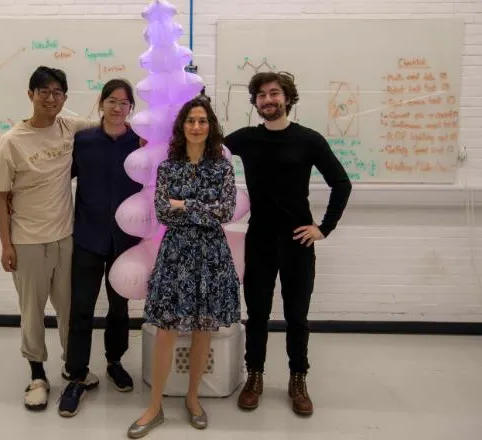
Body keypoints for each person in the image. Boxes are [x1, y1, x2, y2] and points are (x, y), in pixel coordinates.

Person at [223, 71, 352, 416]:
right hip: (260, 239)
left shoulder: (308, 140)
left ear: (287, 98)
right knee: (258, 314)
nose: (268, 100)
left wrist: (323, 228)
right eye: (262, 95)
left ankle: (298, 378)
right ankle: (255, 376)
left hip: (297, 241)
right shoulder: (247, 139)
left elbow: (342, 183)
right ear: (255, 103)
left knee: (297, 316)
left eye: (274, 93)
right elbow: (207, 146)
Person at [127, 98, 241, 438]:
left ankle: (193, 399)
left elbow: (227, 211)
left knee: (204, 327)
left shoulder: (222, 167)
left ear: (210, 126)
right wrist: (201, 207)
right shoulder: (167, 167)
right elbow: (163, 211)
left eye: (202, 121)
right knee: (166, 330)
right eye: (190, 120)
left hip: (211, 256)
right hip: (176, 254)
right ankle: (155, 405)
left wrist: (185, 204)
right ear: (182, 126)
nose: (196, 126)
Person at [0, 65, 100, 412]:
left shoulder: (70, 127)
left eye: (57, 93)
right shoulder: (12, 142)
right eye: (44, 92)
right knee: (32, 312)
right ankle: (37, 375)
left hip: (65, 239)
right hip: (27, 241)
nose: (51, 99)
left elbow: (109, 125)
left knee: (69, 310)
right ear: (30, 95)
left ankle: (73, 366)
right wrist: (6, 244)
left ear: (64, 98)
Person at [57, 79, 144, 417]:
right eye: (111, 100)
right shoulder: (84, 141)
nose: (117, 107)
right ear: (101, 103)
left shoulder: (140, 142)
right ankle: (77, 375)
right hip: (88, 237)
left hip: (126, 240)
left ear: (131, 108)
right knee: (81, 308)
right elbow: (60, 179)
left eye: (124, 102)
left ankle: (114, 361)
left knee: (119, 308)